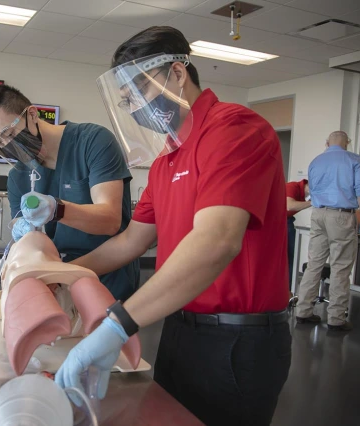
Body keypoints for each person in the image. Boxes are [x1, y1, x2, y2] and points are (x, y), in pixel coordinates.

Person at [54, 26, 291, 426]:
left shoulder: (234, 130)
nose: (134, 110)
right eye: (125, 101)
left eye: (138, 94)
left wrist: (118, 325)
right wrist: (64, 274)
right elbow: (131, 240)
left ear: (178, 74)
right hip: (180, 326)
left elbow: (216, 241)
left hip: (237, 338)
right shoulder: (166, 159)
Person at [0, 85, 139, 301]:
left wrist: (56, 209)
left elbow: (109, 220)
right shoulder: (18, 176)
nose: (7, 146)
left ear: (32, 114)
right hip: (55, 286)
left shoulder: (93, 142)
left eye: (9, 134)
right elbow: (26, 240)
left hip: (107, 284)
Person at [295, 131, 360, 331]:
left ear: (326, 143)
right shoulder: (354, 160)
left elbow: (312, 191)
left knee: (314, 263)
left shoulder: (316, 161)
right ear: (347, 142)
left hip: (318, 214)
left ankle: (303, 311)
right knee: (341, 267)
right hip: (341, 216)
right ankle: (336, 318)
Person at [286, 179, 310, 288]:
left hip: (287, 220)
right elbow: (289, 206)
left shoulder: (305, 196)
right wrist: (313, 202)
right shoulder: (293, 187)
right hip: (276, 221)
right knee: (289, 256)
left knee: (292, 256)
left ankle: (288, 289)